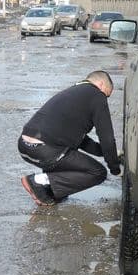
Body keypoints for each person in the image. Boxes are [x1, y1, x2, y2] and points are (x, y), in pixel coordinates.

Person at [18, 70, 122, 206]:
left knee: (69, 157)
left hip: (25, 145)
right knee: (98, 172)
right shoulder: (97, 95)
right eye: (107, 94)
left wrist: (105, 152)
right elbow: (107, 138)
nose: (105, 99)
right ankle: (39, 181)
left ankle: (47, 190)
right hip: (46, 149)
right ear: (101, 85)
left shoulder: (73, 93)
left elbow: (81, 141)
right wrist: (115, 168)